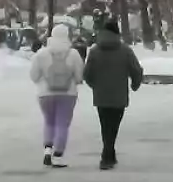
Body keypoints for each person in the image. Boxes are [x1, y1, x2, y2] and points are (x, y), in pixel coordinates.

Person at [82, 19, 143, 170]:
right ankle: (107, 154)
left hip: (101, 95)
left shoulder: (95, 51)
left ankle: (109, 153)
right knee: (114, 125)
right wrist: (135, 84)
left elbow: (87, 73)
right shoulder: (125, 50)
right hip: (119, 95)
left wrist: (94, 85)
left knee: (105, 125)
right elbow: (136, 70)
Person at [29, 24, 85, 168]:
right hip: (68, 94)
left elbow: (34, 76)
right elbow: (79, 77)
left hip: (45, 94)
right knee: (62, 124)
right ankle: (58, 156)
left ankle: (47, 150)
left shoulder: (41, 54)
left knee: (49, 121)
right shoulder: (73, 54)